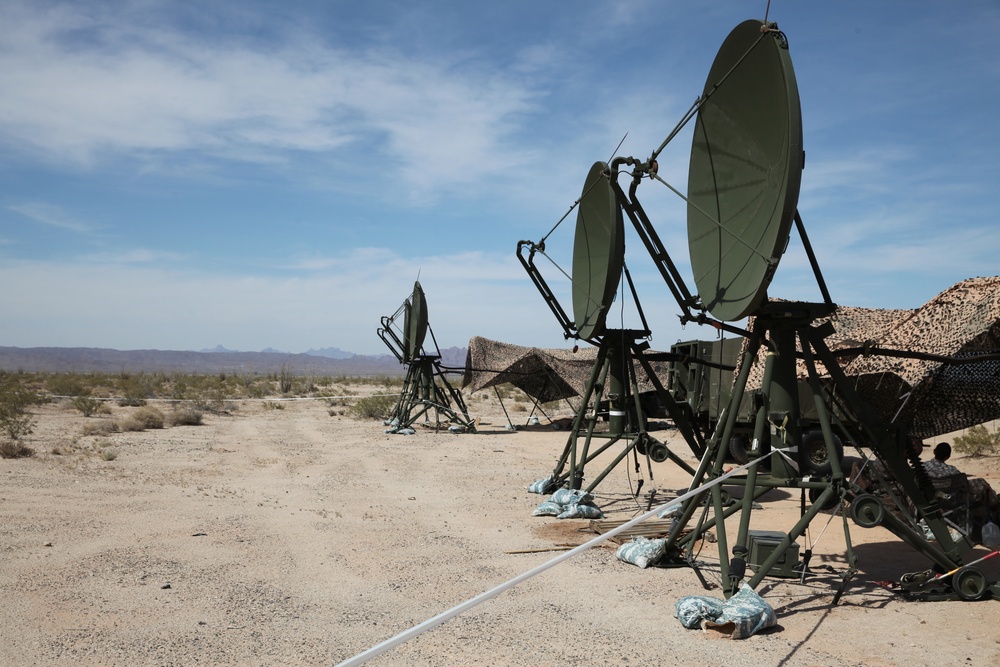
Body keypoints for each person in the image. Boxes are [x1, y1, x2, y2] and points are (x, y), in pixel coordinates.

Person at [923, 441, 1000, 534]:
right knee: (981, 485)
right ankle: (995, 506)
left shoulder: (922, 467)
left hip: (930, 500)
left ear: (934, 451)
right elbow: (964, 486)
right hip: (951, 501)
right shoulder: (951, 470)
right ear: (948, 456)